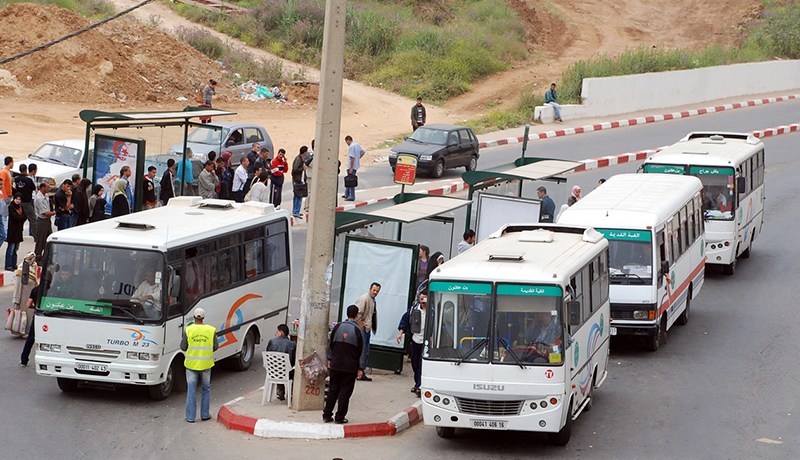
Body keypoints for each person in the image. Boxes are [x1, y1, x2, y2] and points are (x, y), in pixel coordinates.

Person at [323, 304, 364, 424]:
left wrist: (330, 359)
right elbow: (361, 351)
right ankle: (339, 417)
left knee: (333, 390)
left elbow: (330, 345)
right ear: (356, 315)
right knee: (345, 393)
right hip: (350, 368)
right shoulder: (358, 331)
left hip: (335, 365)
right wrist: (360, 368)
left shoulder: (337, 327)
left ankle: (327, 414)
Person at [181, 307, 218, 423]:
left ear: (194, 317)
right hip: (206, 364)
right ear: (203, 318)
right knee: (206, 389)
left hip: (191, 365)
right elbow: (215, 346)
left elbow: (183, 347)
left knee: (191, 390)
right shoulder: (211, 330)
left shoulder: (188, 329)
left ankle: (190, 417)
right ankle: (205, 415)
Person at [396, 290, 428, 396]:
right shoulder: (413, 310)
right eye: (421, 298)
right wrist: (400, 333)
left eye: (424, 298)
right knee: (415, 363)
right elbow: (404, 321)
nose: (422, 300)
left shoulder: (432, 312)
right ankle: (417, 383)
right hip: (415, 340)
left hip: (426, 342)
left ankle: (419, 385)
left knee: (421, 363)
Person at [354, 282, 380, 381]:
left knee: (365, 351)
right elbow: (357, 313)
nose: (375, 292)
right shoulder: (365, 298)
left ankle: (361, 371)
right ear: (370, 289)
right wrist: (361, 324)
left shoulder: (372, 299)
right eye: (374, 290)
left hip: (366, 329)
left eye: (377, 291)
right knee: (362, 351)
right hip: (363, 330)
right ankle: (359, 372)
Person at [265, 323, 297, 401]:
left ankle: (280, 393)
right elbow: (293, 360)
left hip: (272, 372)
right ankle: (292, 394)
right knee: (291, 371)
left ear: (281, 332)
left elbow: (267, 354)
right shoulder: (292, 344)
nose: (276, 334)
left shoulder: (272, 341)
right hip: (286, 373)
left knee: (279, 366)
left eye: (277, 332)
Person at [19, 284, 40, 366]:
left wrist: (35, 307)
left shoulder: (35, 289)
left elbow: (28, 305)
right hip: (50, 317)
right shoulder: (51, 290)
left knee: (30, 338)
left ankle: (24, 360)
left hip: (38, 316)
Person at [33, 182, 54, 261]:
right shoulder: (39, 198)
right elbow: (45, 213)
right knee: (40, 241)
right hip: (42, 220)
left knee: (48, 239)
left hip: (47, 221)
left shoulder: (46, 195)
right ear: (42, 187)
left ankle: (46, 257)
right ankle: (37, 258)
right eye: (48, 187)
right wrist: (56, 212)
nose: (49, 189)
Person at [14, 163, 36, 235]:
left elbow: (15, 189)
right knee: (33, 218)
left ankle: (18, 232)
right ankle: (35, 235)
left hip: (18, 201)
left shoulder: (16, 179)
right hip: (27, 201)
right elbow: (33, 188)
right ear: (26, 170)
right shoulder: (28, 180)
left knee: (20, 217)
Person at [5, 193, 25, 270]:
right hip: (12, 231)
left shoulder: (21, 207)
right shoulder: (11, 207)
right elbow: (15, 217)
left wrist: (21, 217)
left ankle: (14, 264)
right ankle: (8, 265)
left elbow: (24, 216)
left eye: (19, 199)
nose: (18, 201)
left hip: (19, 231)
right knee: (10, 249)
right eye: (16, 199)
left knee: (15, 250)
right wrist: (21, 217)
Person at [343, 135, 365, 201]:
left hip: (351, 166)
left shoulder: (351, 147)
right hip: (356, 165)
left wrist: (351, 167)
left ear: (348, 140)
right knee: (349, 179)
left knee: (351, 181)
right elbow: (363, 152)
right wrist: (358, 158)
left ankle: (351, 196)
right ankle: (347, 194)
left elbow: (352, 157)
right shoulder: (357, 145)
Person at [291, 146, 309, 218]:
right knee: (298, 196)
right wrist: (303, 168)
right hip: (297, 180)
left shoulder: (301, 159)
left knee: (298, 196)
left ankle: (296, 211)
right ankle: (296, 212)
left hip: (299, 180)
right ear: (304, 152)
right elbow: (295, 169)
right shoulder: (298, 159)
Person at [304, 140, 314, 213]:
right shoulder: (312, 154)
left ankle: (308, 206)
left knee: (310, 192)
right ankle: (307, 206)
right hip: (311, 175)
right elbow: (311, 164)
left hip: (309, 174)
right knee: (310, 192)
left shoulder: (309, 152)